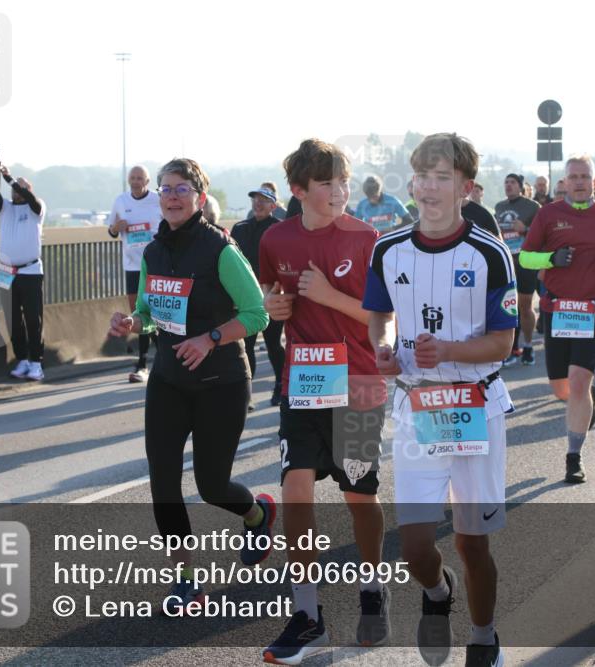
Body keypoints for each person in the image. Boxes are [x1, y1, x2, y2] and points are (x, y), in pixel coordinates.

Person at [364, 132, 515, 667]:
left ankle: (484, 637)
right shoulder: (388, 249)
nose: (428, 187)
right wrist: (383, 348)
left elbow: (505, 341)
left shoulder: (489, 254)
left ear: (466, 189)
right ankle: (436, 593)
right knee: (415, 549)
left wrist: (449, 348)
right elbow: (379, 316)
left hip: (476, 406)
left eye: (442, 177)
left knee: (474, 543)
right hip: (417, 408)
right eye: (422, 176)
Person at [106, 158, 274, 615]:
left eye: (181, 189)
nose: (172, 196)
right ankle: (185, 579)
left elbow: (257, 312)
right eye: (166, 189)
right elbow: (147, 312)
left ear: (199, 198)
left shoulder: (220, 249)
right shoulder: (152, 252)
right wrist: (132, 322)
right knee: (163, 482)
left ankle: (257, 514)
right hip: (169, 380)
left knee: (211, 485)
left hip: (221, 381)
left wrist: (212, 337)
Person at [259, 139, 389, 663]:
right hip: (305, 382)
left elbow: (384, 318)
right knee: (296, 490)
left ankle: (373, 585)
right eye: (326, 184)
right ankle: (307, 613)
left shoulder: (366, 236)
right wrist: (274, 306)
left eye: (343, 181)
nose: (339, 192)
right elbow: (270, 301)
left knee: (358, 494)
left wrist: (330, 297)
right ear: (298, 190)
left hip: (357, 382)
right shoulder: (275, 238)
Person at [521, 155, 595, 483]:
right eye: (574, 176)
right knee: (562, 389)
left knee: (579, 379)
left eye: (586, 176)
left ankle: (574, 456)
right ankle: (586, 399)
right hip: (558, 310)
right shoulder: (548, 215)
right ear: (565, 182)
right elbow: (526, 258)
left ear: (594, 182)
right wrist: (551, 259)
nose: (580, 181)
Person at [0, 156, 47, 381]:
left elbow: (31, 200)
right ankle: (21, 359)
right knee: (13, 319)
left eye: (22, 188)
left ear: (28, 189)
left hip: (30, 270)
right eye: (15, 188)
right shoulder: (6, 209)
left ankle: (36, 362)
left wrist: (10, 178)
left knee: (33, 318)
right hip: (5, 270)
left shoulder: (37, 208)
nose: (16, 192)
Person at [231, 187, 286, 407]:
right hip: (246, 296)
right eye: (255, 199)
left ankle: (281, 387)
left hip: (272, 292)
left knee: (273, 343)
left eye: (264, 200)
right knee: (247, 344)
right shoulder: (240, 228)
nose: (258, 203)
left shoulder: (279, 229)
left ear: (274, 206)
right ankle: (247, 394)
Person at [107, 165, 161, 382]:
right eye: (132, 178)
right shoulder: (121, 201)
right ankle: (144, 364)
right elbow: (111, 230)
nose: (136, 182)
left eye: (140, 178)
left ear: (147, 182)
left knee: (158, 314)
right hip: (132, 266)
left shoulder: (158, 200)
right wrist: (115, 228)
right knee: (138, 315)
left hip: (156, 265)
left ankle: (151, 360)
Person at [495, 173, 542, 365]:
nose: (508, 185)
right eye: (506, 182)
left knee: (524, 306)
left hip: (525, 261)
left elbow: (542, 234)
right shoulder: (499, 207)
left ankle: (528, 345)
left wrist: (526, 230)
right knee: (508, 307)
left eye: (512, 182)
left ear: (520, 187)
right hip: (506, 262)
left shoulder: (532, 206)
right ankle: (512, 348)